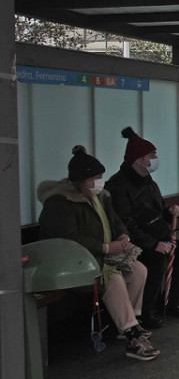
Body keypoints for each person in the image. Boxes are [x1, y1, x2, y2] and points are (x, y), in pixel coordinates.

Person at [37, 146, 161, 361]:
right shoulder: (60, 202)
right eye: (94, 178)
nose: (99, 182)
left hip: (101, 258)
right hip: (73, 263)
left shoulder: (100, 197)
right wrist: (105, 248)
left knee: (138, 269)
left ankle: (130, 322)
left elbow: (115, 221)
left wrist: (123, 235)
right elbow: (69, 238)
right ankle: (133, 335)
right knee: (112, 278)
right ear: (79, 181)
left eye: (100, 177)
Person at [106, 127, 179, 329]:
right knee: (154, 259)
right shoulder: (118, 186)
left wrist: (169, 211)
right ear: (139, 159)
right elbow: (125, 223)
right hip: (136, 243)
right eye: (151, 155)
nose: (155, 158)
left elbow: (156, 209)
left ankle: (170, 302)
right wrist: (153, 244)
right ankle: (147, 312)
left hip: (158, 237)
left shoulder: (147, 180)